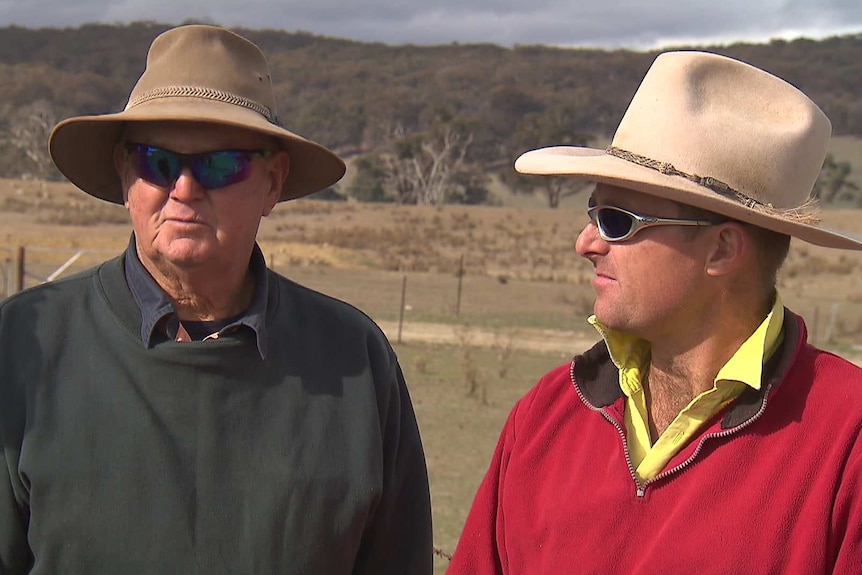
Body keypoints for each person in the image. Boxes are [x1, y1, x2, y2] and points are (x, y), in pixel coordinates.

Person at [0, 24, 432, 574]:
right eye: (157, 161)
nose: (183, 188)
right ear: (125, 173)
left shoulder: (352, 358)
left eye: (220, 164)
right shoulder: (25, 346)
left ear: (273, 183)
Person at [448, 51, 862, 574]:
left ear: (722, 250)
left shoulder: (848, 438)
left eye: (618, 221)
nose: (586, 243)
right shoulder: (547, 413)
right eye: (592, 213)